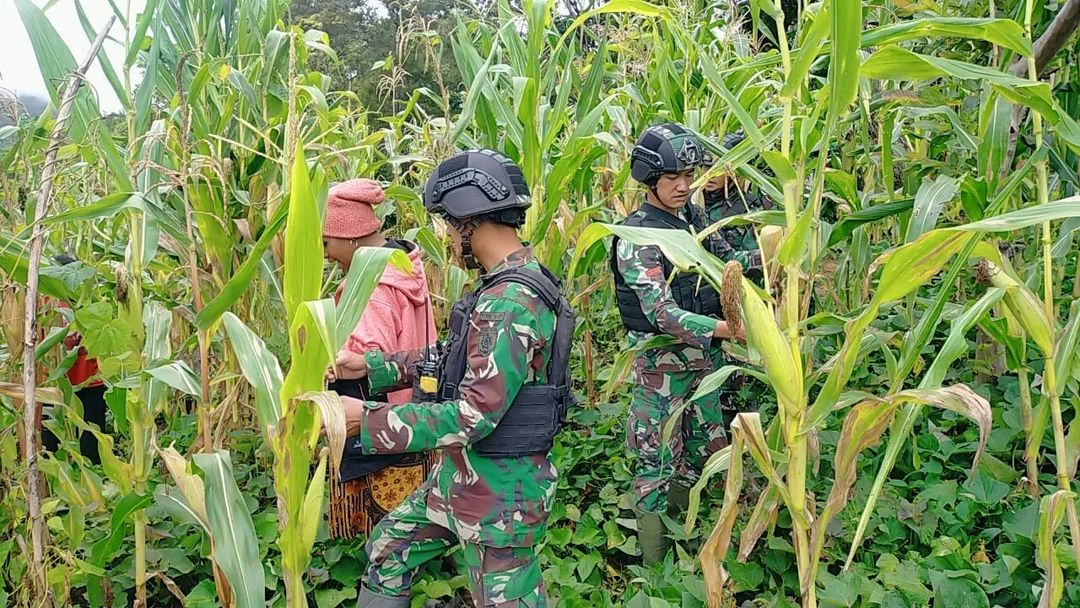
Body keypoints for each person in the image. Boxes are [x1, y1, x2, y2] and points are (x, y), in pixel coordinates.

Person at [330, 149, 575, 608]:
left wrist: (367, 418)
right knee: (388, 552)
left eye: (446, 223)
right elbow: (452, 358)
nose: (444, 236)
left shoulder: (510, 302)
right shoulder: (500, 285)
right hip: (459, 478)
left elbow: (471, 415)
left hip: (500, 494)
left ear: (467, 221)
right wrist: (373, 367)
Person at [610, 123, 742, 565]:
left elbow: (727, 260)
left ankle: (684, 540)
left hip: (703, 367)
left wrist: (778, 255)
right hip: (660, 373)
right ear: (650, 179)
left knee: (704, 453)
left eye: (689, 175)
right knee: (655, 465)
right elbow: (661, 313)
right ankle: (654, 570)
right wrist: (731, 330)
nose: (684, 186)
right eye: (672, 178)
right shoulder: (638, 237)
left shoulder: (695, 218)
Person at [322, 178, 438, 539]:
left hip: (377, 425)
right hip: (413, 413)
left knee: (377, 538)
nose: (325, 253)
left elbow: (367, 353)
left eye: (327, 242)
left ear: (351, 236)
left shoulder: (371, 286)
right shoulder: (403, 266)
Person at [40, 254, 108, 465]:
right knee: (87, 435)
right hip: (64, 381)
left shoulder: (74, 302)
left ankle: (81, 470)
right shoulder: (53, 304)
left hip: (79, 379)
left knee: (86, 437)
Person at [699, 131, 774, 283]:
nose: (710, 174)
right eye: (705, 167)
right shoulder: (689, 204)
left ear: (735, 170)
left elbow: (760, 265)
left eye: (717, 168)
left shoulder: (750, 210)